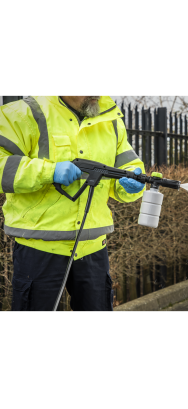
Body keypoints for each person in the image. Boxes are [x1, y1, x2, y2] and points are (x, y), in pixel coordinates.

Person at [0, 95, 145, 312]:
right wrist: (49, 172)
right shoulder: (22, 113)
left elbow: (129, 167)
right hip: (40, 247)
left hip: (93, 246)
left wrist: (132, 182)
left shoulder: (110, 119)